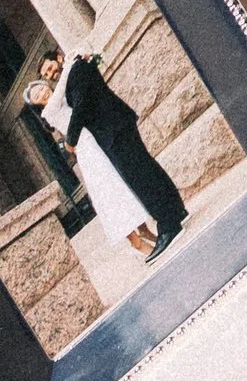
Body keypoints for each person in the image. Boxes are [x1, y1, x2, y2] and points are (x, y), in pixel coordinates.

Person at [27, 45, 185, 259]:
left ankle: (168, 226)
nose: (50, 75)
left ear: (59, 58)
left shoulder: (76, 68)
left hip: (112, 129)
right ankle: (175, 212)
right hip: (109, 131)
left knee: (141, 177)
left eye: (49, 68)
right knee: (145, 170)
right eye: (46, 74)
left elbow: (81, 105)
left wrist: (70, 141)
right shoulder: (72, 72)